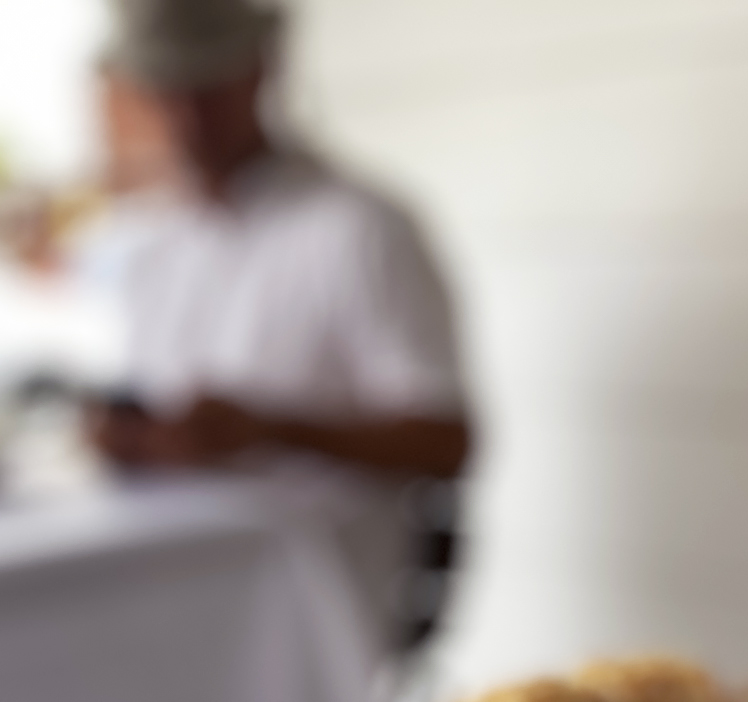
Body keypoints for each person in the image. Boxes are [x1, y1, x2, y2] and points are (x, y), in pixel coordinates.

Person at [87, 0, 470, 480]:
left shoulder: (359, 226)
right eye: (168, 89)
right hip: (175, 548)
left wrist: (274, 433)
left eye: (209, 87)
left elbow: (448, 441)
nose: (188, 115)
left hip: (307, 552)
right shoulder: (151, 240)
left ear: (262, 69)